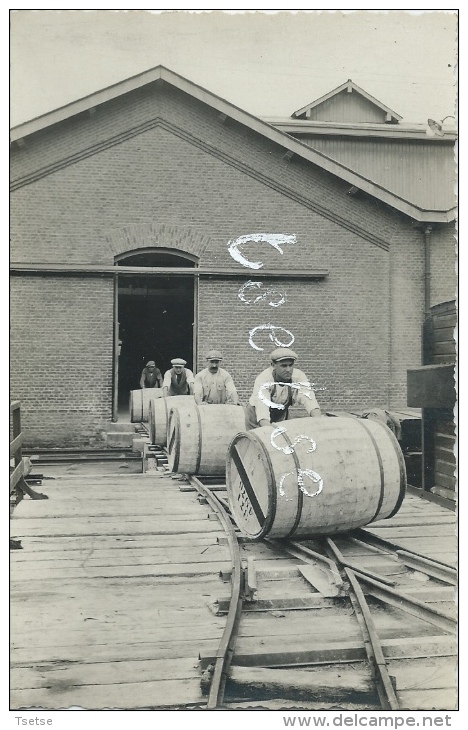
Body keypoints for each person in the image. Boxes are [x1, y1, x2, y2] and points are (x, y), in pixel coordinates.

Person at [246, 347, 321, 429]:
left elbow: (310, 400)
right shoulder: (264, 380)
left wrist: (318, 423)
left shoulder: (298, 377)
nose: (288, 370)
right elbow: (262, 413)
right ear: (273, 365)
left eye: (291, 365)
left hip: (280, 415)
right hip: (256, 417)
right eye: (284, 366)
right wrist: (268, 432)